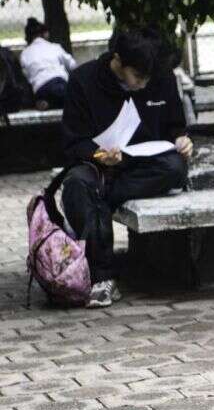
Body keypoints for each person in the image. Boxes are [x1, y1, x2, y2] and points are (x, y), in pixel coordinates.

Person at [60, 27, 190, 308]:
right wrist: (99, 155)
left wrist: (181, 138)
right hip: (98, 164)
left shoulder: (159, 76)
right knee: (76, 185)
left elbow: (174, 125)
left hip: (143, 163)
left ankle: (103, 199)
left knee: (175, 167)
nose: (143, 85)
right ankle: (102, 276)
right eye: (137, 78)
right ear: (118, 61)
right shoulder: (83, 80)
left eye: (147, 79)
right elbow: (72, 143)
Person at [20, 18, 76, 110]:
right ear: (45, 34)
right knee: (69, 98)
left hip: (40, 89)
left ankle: (48, 103)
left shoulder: (25, 54)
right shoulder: (55, 47)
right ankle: (55, 102)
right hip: (59, 83)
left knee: (52, 97)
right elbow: (72, 65)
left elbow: (26, 76)